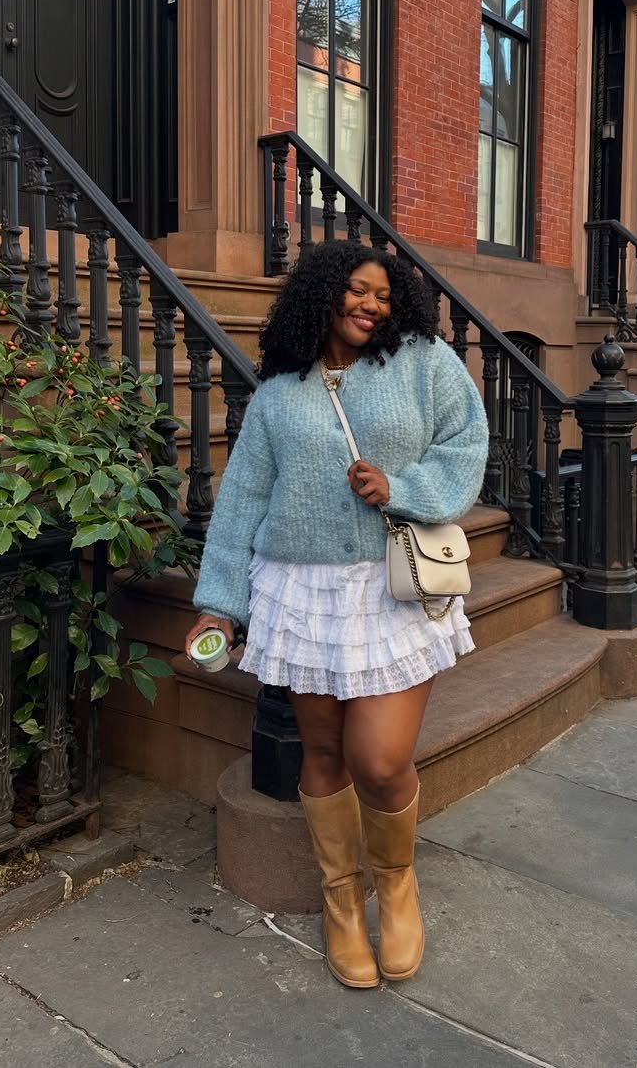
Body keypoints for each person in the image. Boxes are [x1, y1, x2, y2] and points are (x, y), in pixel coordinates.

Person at [185, 239, 488, 988]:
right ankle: (343, 902)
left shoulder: (421, 363)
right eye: (357, 290)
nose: (371, 304)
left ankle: (397, 885)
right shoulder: (281, 391)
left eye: (383, 295)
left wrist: (407, 487)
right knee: (321, 756)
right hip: (302, 589)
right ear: (322, 294)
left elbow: (469, 440)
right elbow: (246, 498)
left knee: (380, 761)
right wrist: (218, 603)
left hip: (390, 588)